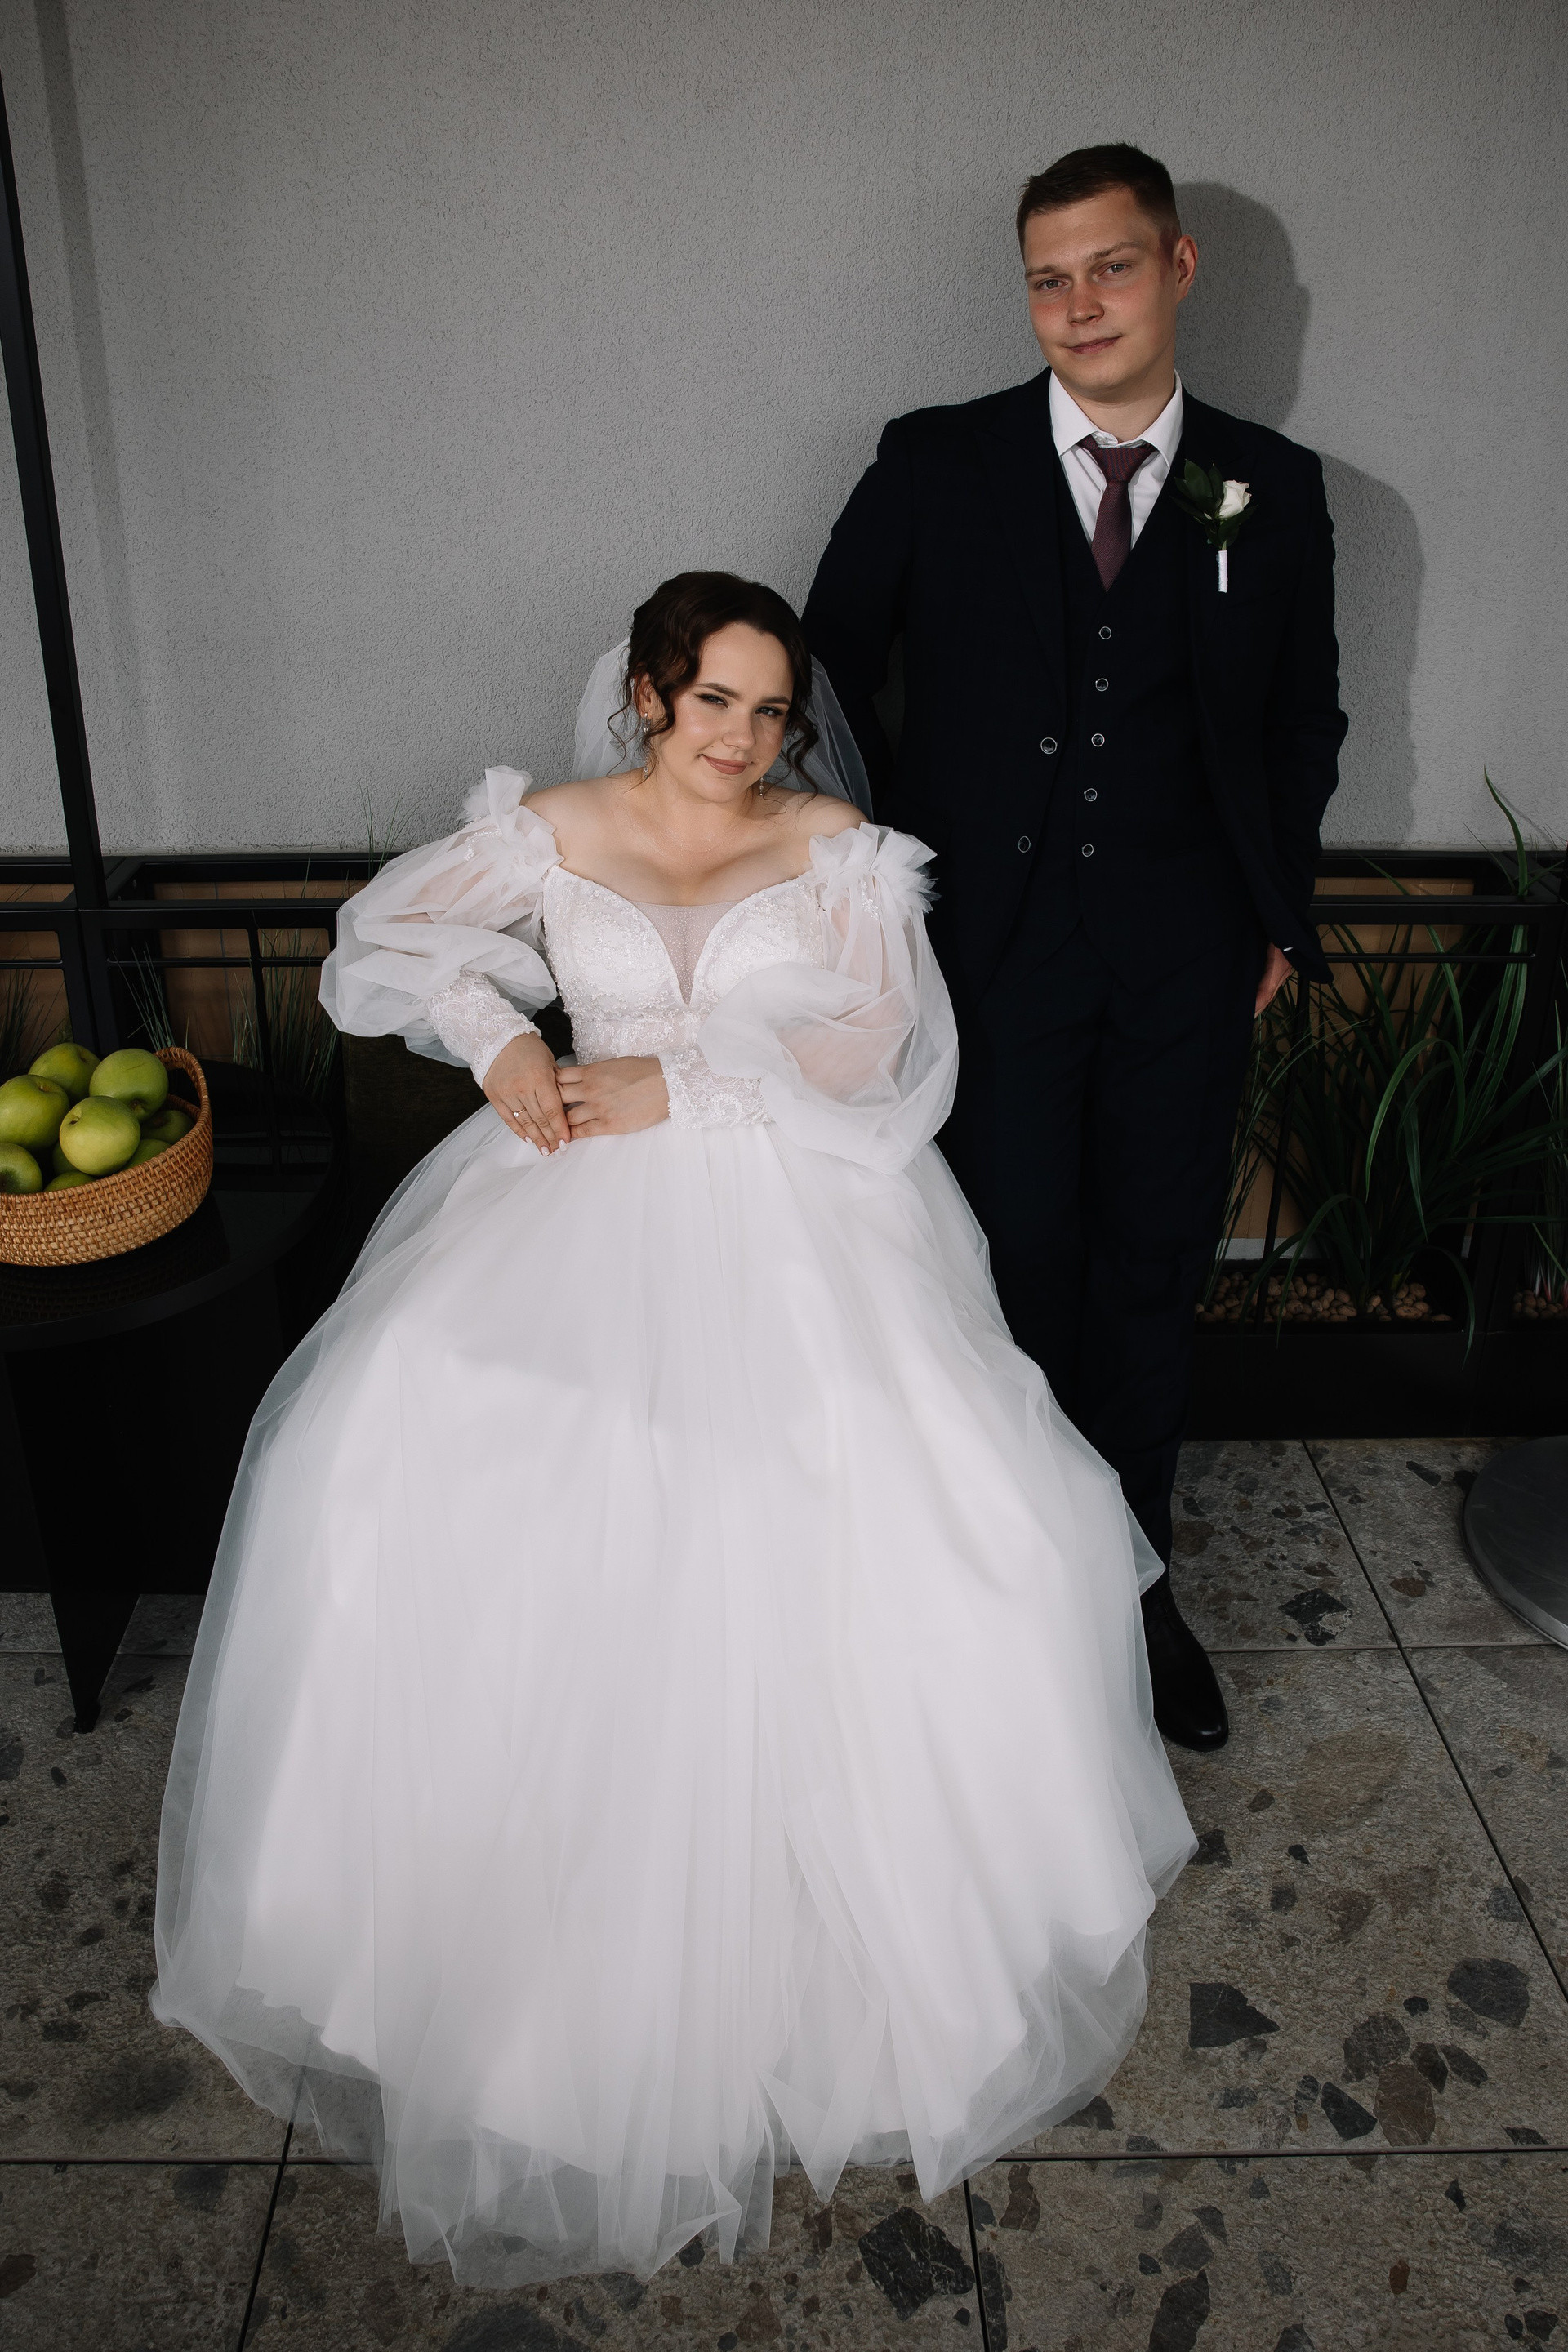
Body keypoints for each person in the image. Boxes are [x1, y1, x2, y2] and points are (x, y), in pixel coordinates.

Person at [152, 570, 1194, 2288]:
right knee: (425, 1444)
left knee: (884, 1490)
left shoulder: (837, 846)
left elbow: (883, 1056)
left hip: (800, 1200)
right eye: (715, 700)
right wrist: (500, 1039)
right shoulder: (554, 827)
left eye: (771, 710)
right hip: (567, 1181)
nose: (744, 738)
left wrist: (689, 1085)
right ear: (649, 693)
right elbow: (381, 944)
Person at [803, 144, 1348, 1753]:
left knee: (1150, 1273)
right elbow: (824, 681)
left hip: (1188, 955)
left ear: (1178, 268)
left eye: (1111, 266)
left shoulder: (1260, 483)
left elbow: (1299, 717)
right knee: (1012, 1264)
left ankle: (1134, 1590)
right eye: (1049, 278)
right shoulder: (937, 461)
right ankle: (1003, 1582)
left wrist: (1274, 907)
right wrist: (859, 900)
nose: (1079, 304)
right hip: (989, 953)